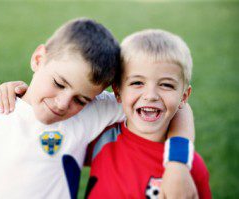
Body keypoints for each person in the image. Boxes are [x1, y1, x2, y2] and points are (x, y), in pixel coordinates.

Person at [0, 18, 195, 199]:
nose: (63, 104)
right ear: (39, 59)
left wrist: (177, 163)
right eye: (58, 83)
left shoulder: (90, 113)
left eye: (81, 99)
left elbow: (177, 107)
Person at [84, 29, 211, 198]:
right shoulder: (99, 135)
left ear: (184, 96)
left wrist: (178, 163)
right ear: (118, 91)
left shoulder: (190, 167)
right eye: (137, 82)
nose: (150, 95)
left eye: (166, 85)